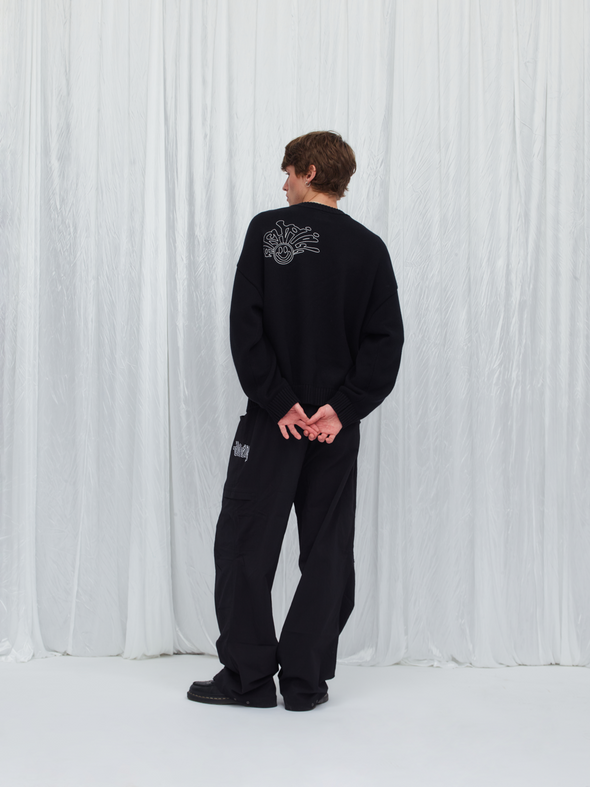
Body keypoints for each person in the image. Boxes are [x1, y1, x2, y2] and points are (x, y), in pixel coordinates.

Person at [187, 131, 404, 711]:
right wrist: (343, 409)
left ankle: (248, 679)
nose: (283, 184)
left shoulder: (267, 231)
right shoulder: (370, 248)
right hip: (333, 428)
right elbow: (385, 344)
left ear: (309, 171)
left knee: (244, 543)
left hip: (273, 422)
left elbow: (246, 327)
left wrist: (279, 400)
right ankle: (306, 684)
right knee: (328, 551)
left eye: (288, 172)